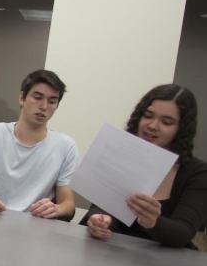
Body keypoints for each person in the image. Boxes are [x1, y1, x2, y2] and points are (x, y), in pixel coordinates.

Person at [83, 85, 207, 248]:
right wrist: (100, 220)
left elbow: (183, 233)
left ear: (181, 129)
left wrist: (153, 222)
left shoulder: (198, 173)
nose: (153, 125)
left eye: (167, 122)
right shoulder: (122, 155)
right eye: (148, 116)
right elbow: (100, 207)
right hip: (111, 255)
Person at [0, 69, 78, 219]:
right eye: (37, 97)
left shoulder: (66, 146)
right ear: (22, 98)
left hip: (33, 226)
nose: (44, 106)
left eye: (52, 101)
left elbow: (68, 202)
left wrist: (58, 209)